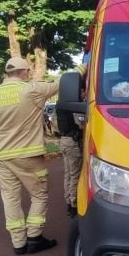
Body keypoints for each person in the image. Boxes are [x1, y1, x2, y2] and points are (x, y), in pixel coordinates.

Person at [0, 56, 86, 255]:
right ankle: (34, 237)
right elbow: (61, 83)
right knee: (38, 195)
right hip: (28, 155)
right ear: (24, 72)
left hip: (1, 156)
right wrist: (82, 67)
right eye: (28, 72)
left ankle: (19, 243)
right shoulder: (31, 90)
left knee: (10, 198)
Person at [56, 90, 83, 218]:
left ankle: (68, 201)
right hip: (72, 142)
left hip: (64, 141)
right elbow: (80, 123)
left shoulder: (60, 103)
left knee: (68, 174)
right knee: (75, 175)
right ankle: (74, 204)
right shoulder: (70, 105)